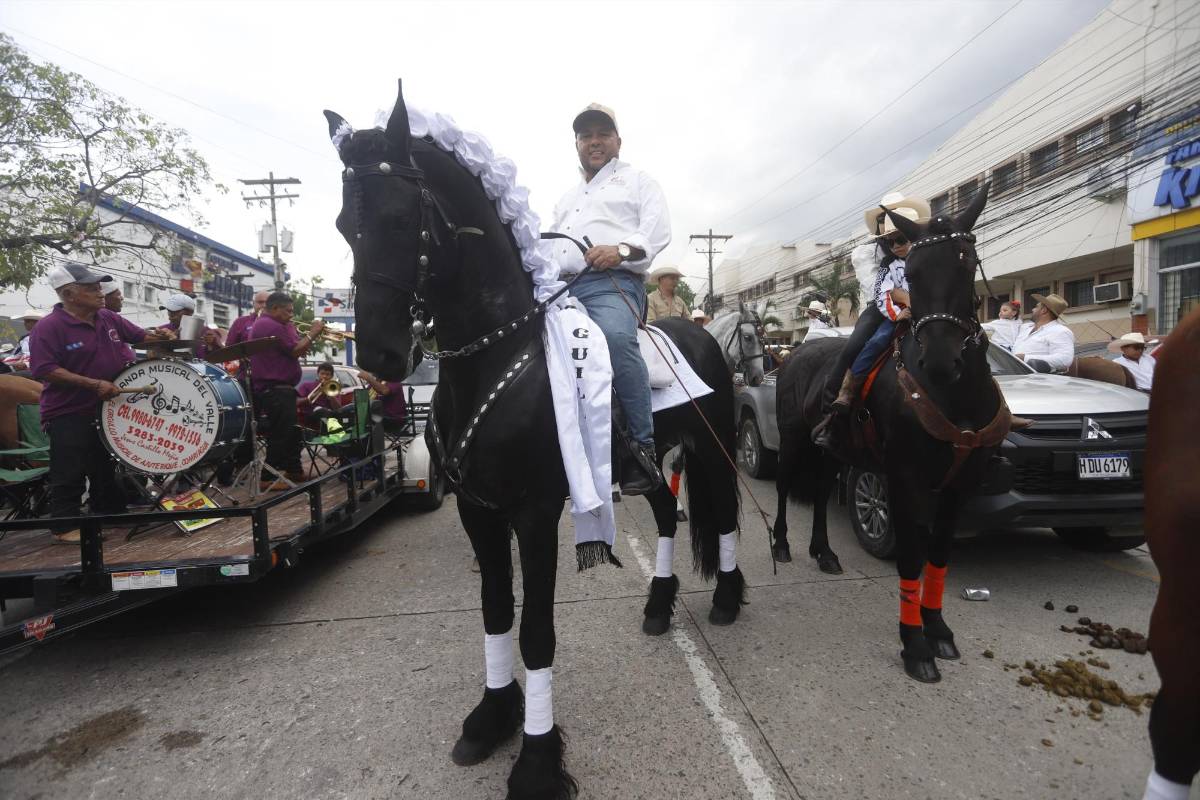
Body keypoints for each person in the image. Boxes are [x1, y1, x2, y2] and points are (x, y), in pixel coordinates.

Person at [545, 102, 671, 495]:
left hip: (611, 283)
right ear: (577, 143)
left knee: (616, 340)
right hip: (561, 288)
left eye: (602, 133)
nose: (594, 141)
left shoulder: (638, 181)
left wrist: (620, 250)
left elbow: (655, 232)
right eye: (586, 136)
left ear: (618, 140)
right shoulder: (567, 198)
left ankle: (640, 447)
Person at [29, 263, 173, 543]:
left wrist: (162, 335)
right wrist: (93, 384)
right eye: (91, 288)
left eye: (99, 286)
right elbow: (44, 369)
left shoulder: (107, 317)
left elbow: (142, 337)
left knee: (104, 464)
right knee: (69, 468)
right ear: (69, 294)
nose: (100, 292)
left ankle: (106, 513)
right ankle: (64, 526)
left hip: (107, 408)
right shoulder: (49, 327)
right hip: (68, 410)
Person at [813, 192, 927, 450]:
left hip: (923, 304)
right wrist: (907, 301)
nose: (897, 241)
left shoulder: (923, 245)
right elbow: (876, 286)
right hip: (880, 308)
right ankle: (833, 408)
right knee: (855, 346)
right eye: (890, 213)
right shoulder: (868, 252)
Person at [248, 292, 324, 490]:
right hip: (275, 389)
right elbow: (296, 350)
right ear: (274, 309)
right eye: (288, 311)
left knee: (291, 432)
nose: (291, 315)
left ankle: (294, 470)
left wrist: (299, 336)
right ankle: (268, 477)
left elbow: (296, 347)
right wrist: (313, 332)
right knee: (280, 434)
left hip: (283, 388)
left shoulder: (280, 324)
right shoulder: (270, 325)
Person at [1012, 293, 1075, 373]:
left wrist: (1025, 358)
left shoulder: (1060, 331)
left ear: (1044, 310)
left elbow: (1064, 359)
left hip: (1037, 381)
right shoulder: (1025, 328)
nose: (1032, 309)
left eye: (1036, 307)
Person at [160, 293, 222, 358]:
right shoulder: (161, 330)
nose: (170, 316)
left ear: (189, 312)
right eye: (169, 311)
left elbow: (214, 359)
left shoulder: (207, 333)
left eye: (174, 312)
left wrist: (211, 346)